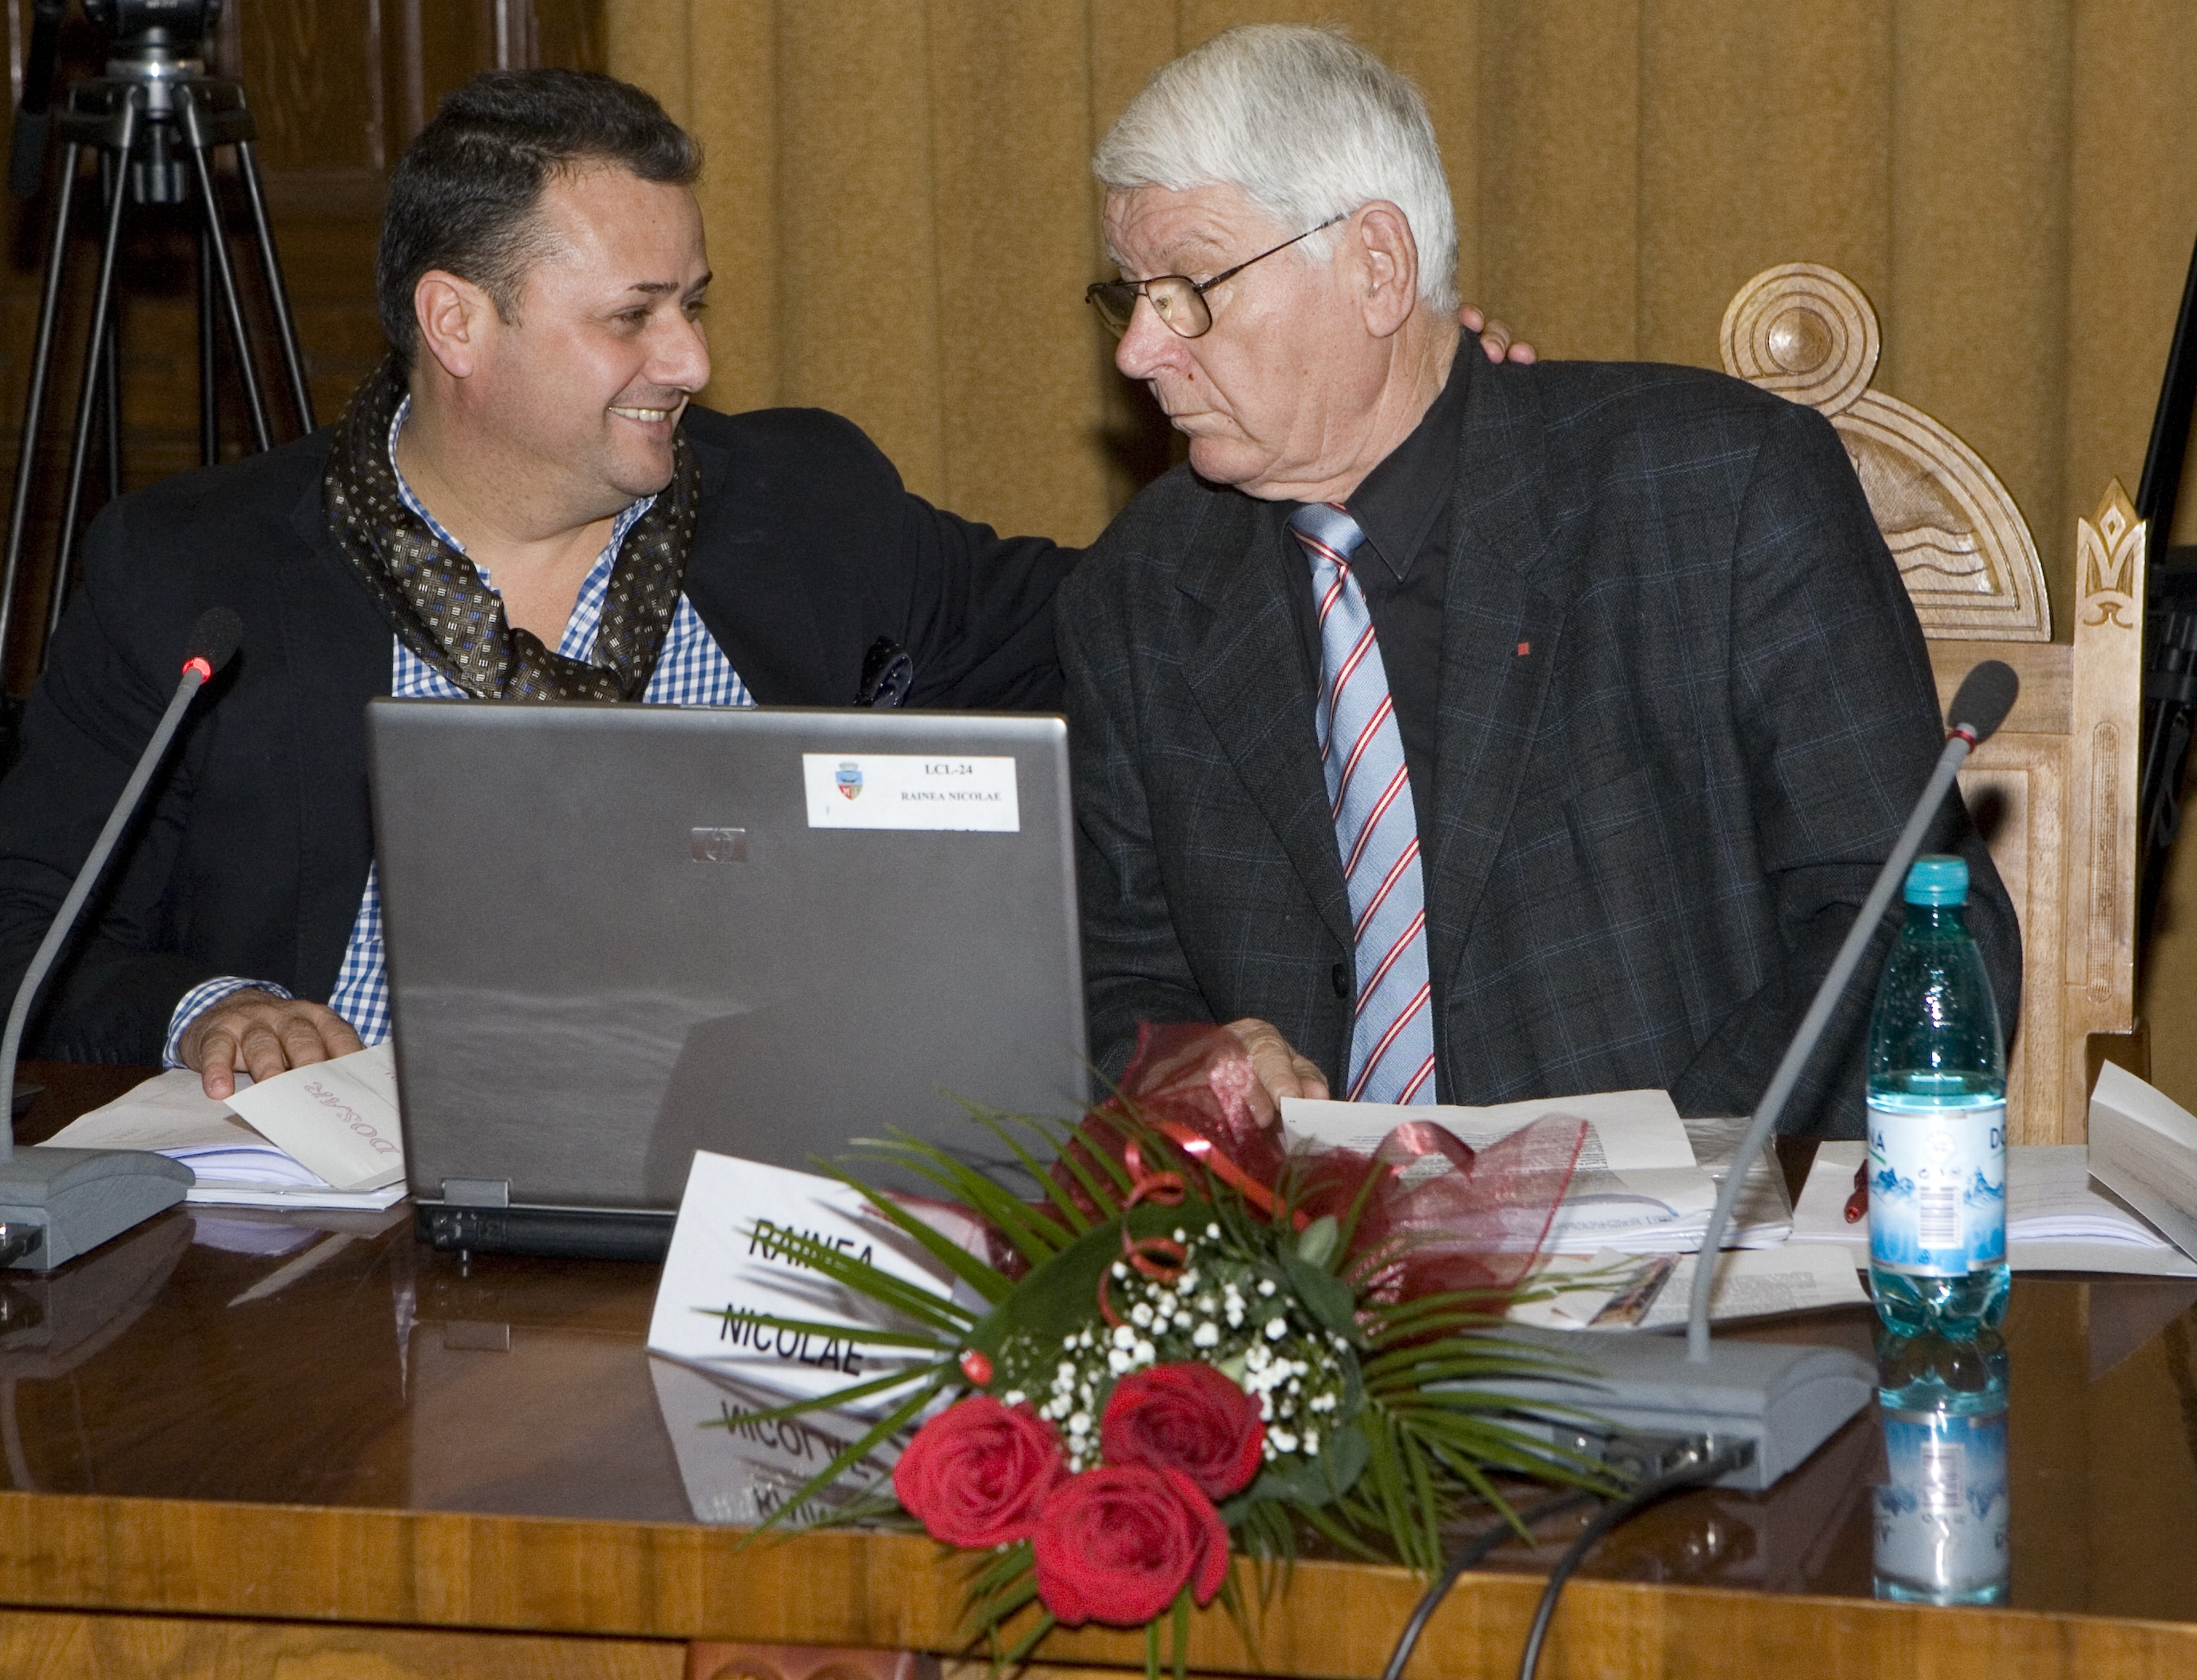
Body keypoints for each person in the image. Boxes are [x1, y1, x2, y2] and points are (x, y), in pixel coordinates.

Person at [0, 67, 1529, 1099]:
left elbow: (1136, 629)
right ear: (457, 322)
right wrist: (212, 1014)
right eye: (635, 317)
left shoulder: (802, 511)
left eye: (699, 303)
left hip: (765, 1221)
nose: (695, 363)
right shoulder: (197, 581)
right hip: (332, 1268)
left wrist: (1396, 428)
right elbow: (28, 940)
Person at [1058, 25, 2019, 1139]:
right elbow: (1111, 984)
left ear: (1376, 268)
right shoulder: (1142, 589)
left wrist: (1653, 1181)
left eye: (1186, 289)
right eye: (1129, 297)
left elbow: (1907, 926)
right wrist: (1198, 1064)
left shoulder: (1715, 491)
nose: (1138, 351)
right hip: (1305, 1271)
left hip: (1685, 1251)